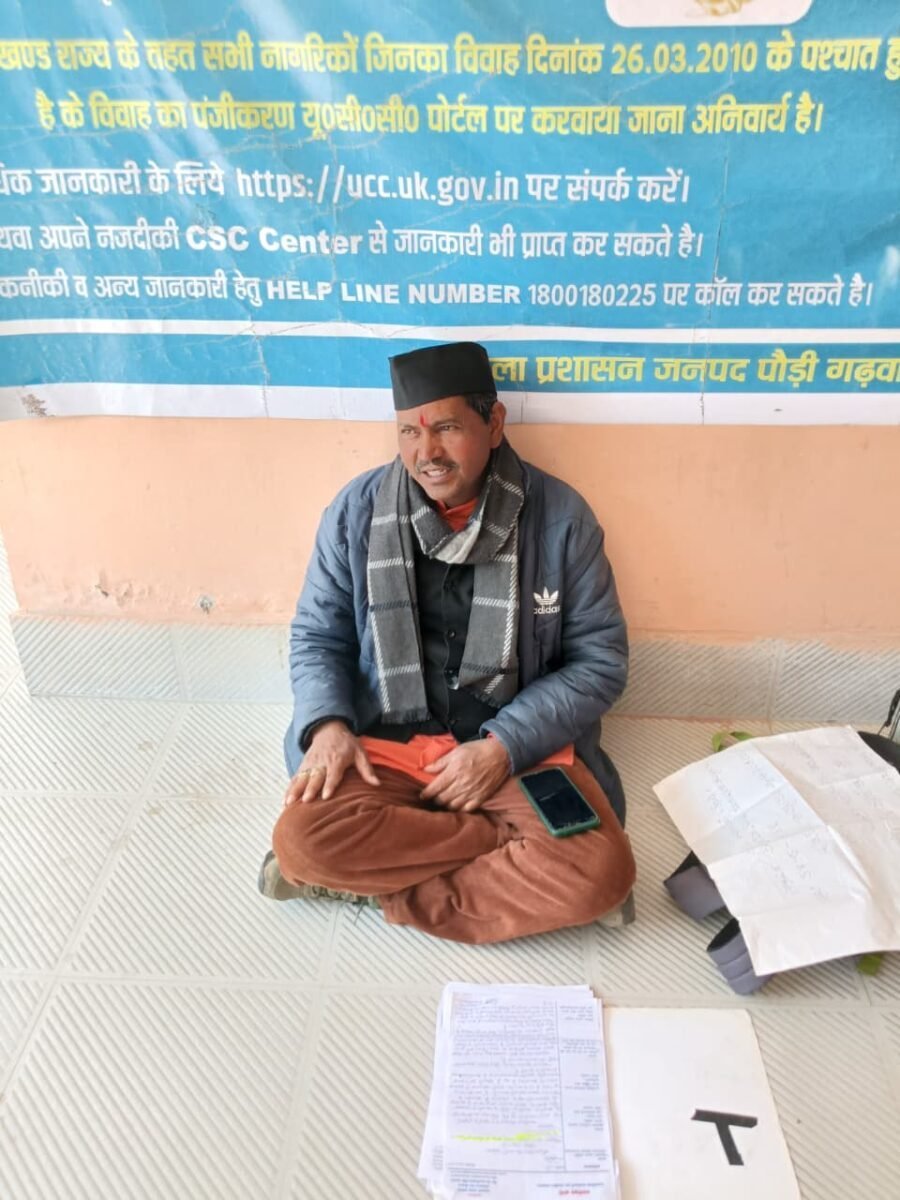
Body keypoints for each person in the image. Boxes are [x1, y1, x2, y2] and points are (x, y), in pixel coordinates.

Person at [259, 341, 635, 944]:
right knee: (302, 843)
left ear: (494, 423)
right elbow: (317, 636)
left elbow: (599, 662)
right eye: (409, 432)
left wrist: (503, 747)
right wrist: (327, 726)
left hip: (515, 747)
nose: (426, 453)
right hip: (384, 739)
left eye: (447, 428)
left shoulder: (562, 519)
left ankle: (378, 881)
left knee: (603, 876)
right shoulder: (356, 512)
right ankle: (500, 844)